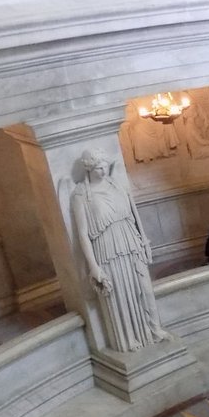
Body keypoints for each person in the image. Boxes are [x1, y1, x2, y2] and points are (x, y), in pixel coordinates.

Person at [70, 149, 171, 352]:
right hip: (107, 249)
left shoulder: (116, 185)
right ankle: (129, 338)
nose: (104, 170)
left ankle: (153, 329)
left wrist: (143, 239)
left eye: (106, 165)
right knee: (120, 296)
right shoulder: (81, 195)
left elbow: (133, 216)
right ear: (89, 168)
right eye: (99, 167)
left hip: (129, 241)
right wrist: (93, 266)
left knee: (144, 289)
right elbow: (82, 234)